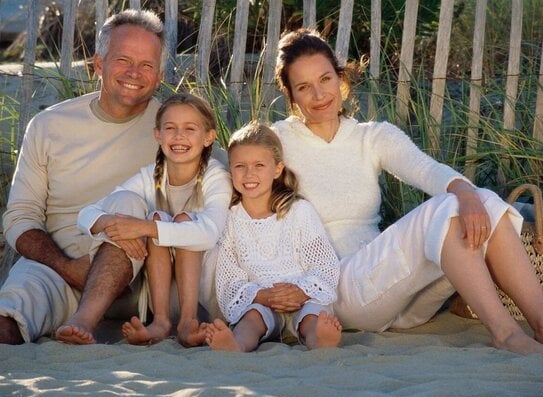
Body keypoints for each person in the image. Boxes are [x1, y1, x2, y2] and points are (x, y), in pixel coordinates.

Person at [270, 28, 543, 354]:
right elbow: (239, 199)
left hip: (397, 293)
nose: (319, 94)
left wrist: (468, 194)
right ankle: (506, 333)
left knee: (478, 197)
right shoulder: (278, 142)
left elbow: (427, 170)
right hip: (338, 292)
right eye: (304, 87)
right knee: (448, 207)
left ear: (340, 77)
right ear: (291, 95)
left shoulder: (371, 137)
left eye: (325, 79)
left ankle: (540, 323)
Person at [0, 9, 165, 344]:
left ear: (159, 75)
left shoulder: (174, 130)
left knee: (128, 203)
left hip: (140, 284)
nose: (135, 73)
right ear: (99, 64)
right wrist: (66, 266)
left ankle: (86, 319)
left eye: (147, 64)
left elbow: (230, 186)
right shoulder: (49, 125)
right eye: (123, 60)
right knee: (8, 315)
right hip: (58, 269)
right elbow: (19, 218)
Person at [77, 93, 232, 346]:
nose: (179, 136)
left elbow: (209, 232)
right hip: (160, 291)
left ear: (208, 137)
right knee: (157, 215)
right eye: (170, 128)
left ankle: (187, 323)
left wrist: (143, 227)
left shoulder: (215, 176)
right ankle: (160, 322)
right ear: (158, 135)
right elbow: (85, 215)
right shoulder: (151, 176)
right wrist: (111, 225)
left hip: (207, 291)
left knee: (184, 221)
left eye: (190, 129)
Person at [205, 122, 342, 352]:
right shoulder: (230, 219)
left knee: (313, 317)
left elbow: (325, 266)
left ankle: (320, 341)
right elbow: (229, 278)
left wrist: (300, 291)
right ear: (230, 169)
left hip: (303, 297)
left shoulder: (299, 211)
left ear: (277, 169)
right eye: (240, 166)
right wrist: (263, 296)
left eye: (259, 165)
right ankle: (236, 345)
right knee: (251, 319)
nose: (249, 174)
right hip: (261, 301)